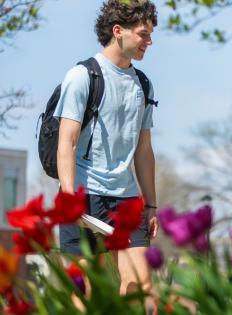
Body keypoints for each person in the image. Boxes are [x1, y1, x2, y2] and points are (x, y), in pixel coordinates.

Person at [54, 0, 158, 297]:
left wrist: (151, 204)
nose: (149, 41)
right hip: (85, 197)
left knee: (140, 285)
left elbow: (144, 149)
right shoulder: (83, 76)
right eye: (143, 34)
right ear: (118, 31)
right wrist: (69, 196)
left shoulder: (144, 84)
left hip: (127, 199)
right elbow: (67, 142)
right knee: (86, 291)